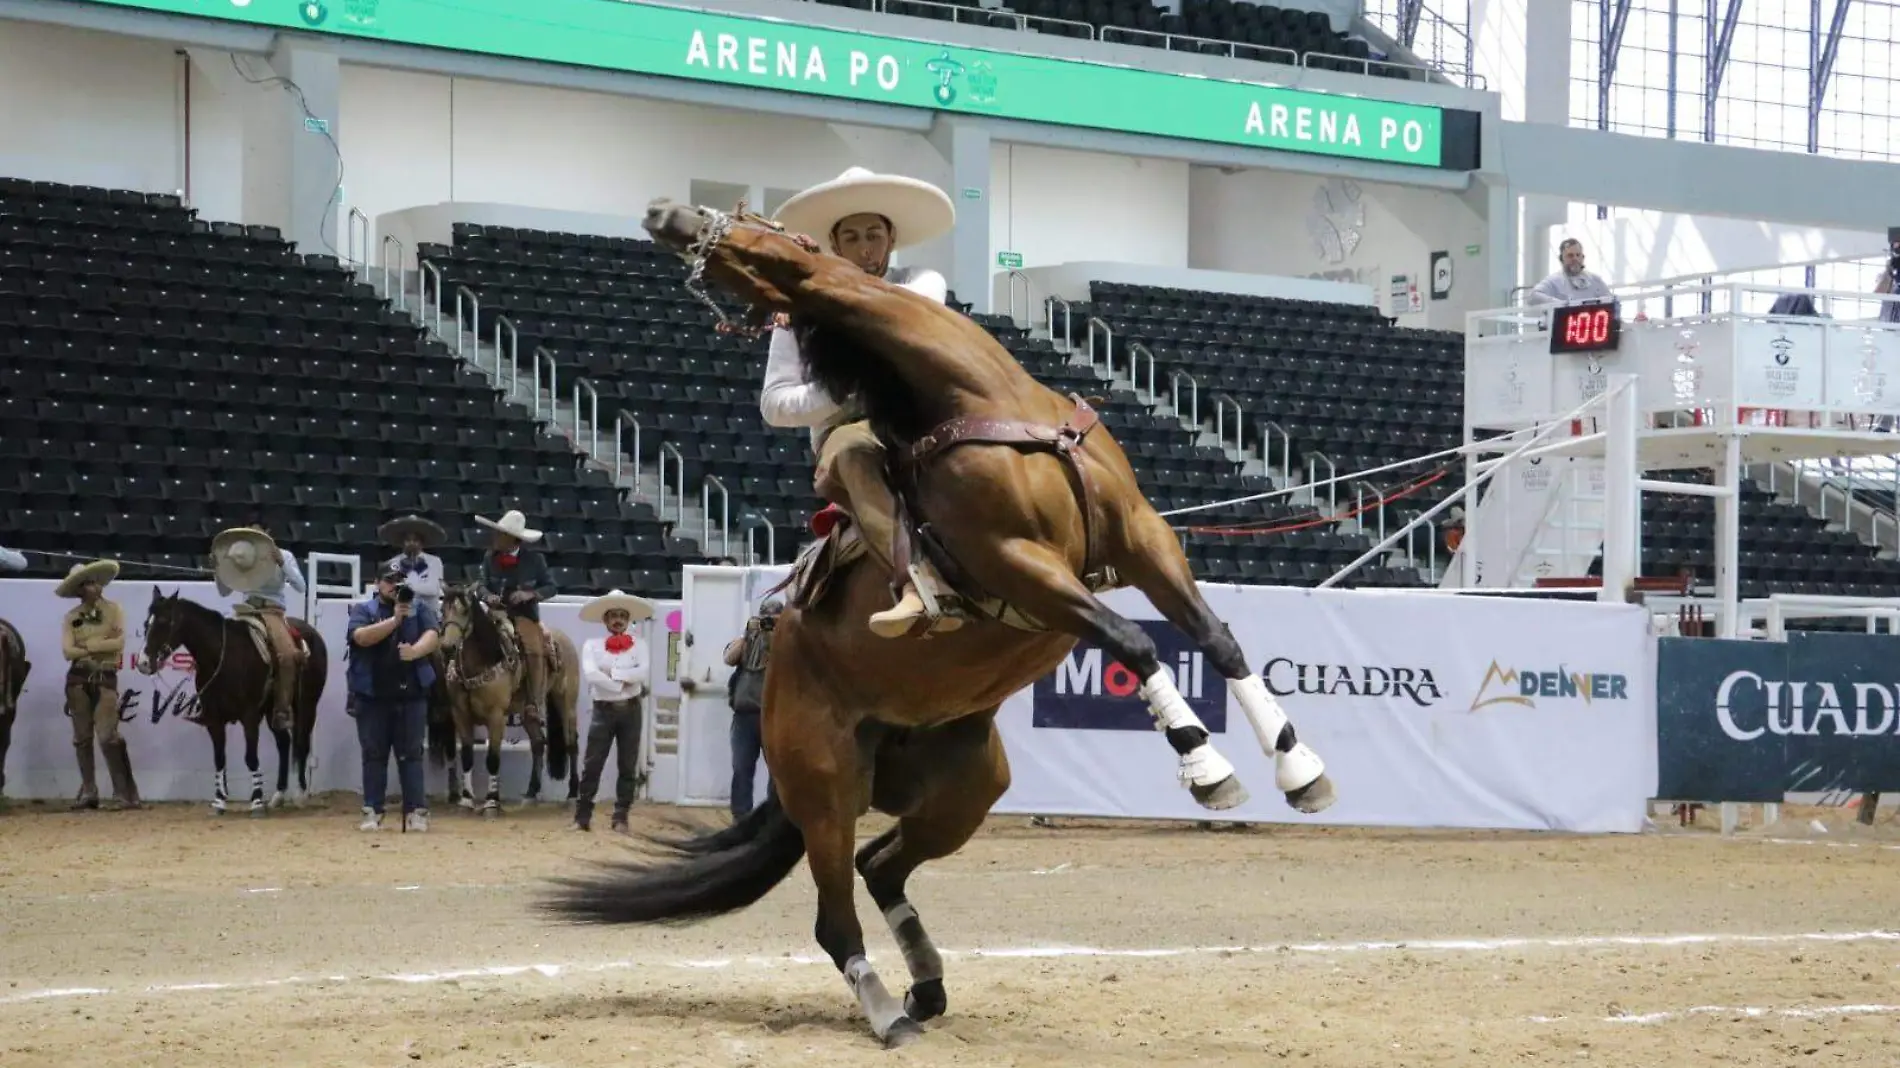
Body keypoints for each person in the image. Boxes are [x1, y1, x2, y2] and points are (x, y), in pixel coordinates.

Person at [765, 166, 964, 639]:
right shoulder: (797, 312)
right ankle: (914, 585)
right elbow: (773, 405)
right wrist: (841, 391)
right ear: (835, 245)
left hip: (921, 417)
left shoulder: (922, 281)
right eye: (852, 237)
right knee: (857, 453)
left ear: (892, 238)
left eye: (874, 234)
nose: (865, 247)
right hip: (846, 429)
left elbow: (907, 309)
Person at [346, 564, 442, 832]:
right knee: (373, 754)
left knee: (411, 753)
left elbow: (433, 634)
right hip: (372, 694)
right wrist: (395, 621)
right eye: (388, 580)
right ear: (377, 583)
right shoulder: (364, 610)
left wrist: (416, 651)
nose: (393, 585)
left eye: (398, 580)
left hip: (411, 694)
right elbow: (361, 637)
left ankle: (416, 810)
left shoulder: (420, 608)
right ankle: (372, 809)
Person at [57, 559, 140, 811]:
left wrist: (87, 646)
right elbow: (67, 652)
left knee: (107, 735)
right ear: (80, 589)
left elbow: (119, 643)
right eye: (88, 583)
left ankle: (123, 794)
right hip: (78, 680)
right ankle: (89, 791)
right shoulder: (72, 617)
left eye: (95, 582)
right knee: (82, 738)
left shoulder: (114, 610)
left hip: (104, 678)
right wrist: (102, 642)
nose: (94, 587)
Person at [210, 524, 306, 733]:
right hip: (244, 609)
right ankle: (214, 704)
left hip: (272, 611)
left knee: (288, 655)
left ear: (267, 534)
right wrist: (218, 570)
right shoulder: (239, 555)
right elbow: (224, 592)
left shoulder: (285, 555)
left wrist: (282, 563)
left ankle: (282, 709)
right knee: (215, 647)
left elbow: (301, 586)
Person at [573, 589, 654, 834]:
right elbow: (591, 674)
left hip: (631, 710)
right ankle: (582, 816)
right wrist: (622, 682)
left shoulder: (640, 644)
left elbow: (643, 672)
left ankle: (621, 816)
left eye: (622, 615)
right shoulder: (592, 645)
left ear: (628, 619)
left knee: (627, 765)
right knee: (592, 764)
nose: (618, 620)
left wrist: (613, 675)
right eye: (613, 616)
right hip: (603, 711)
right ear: (605, 620)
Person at [472, 509, 557, 724]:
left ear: (513, 539)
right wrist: (488, 596)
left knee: (533, 649)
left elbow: (551, 587)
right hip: (496, 613)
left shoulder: (535, 560)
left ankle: (533, 702)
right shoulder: (489, 558)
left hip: (524, 615)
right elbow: (480, 584)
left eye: (500, 534)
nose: (495, 538)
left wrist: (530, 594)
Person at [721, 599, 780, 820]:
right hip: (745, 716)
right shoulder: (748, 640)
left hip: (773, 717)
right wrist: (749, 633)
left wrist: (780, 632)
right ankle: (741, 817)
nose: (769, 621)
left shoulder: (786, 642)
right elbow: (728, 658)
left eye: (774, 617)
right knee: (741, 768)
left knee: (777, 773)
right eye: (766, 616)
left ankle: (772, 817)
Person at [377, 514, 447, 619]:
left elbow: (432, 589)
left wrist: (405, 587)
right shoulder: (393, 562)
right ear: (402, 542)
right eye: (408, 540)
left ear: (422, 543)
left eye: (415, 540)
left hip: (429, 615)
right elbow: (390, 591)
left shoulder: (434, 561)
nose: (411, 543)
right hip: (402, 616)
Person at [1527, 238, 1614, 307]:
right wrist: (1560, 304)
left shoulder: (1595, 280)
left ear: (1583, 257)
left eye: (1578, 255)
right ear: (1561, 259)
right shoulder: (1554, 281)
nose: (1575, 259)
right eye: (1570, 255)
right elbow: (1533, 296)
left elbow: (1610, 301)